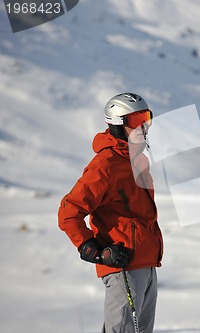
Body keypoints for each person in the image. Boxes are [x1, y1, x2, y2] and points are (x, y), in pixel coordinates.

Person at [58, 92, 163, 333]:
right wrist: (93, 249)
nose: (144, 126)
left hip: (147, 263)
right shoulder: (105, 165)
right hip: (123, 266)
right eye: (136, 120)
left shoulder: (138, 160)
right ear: (118, 124)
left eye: (147, 118)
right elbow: (69, 212)